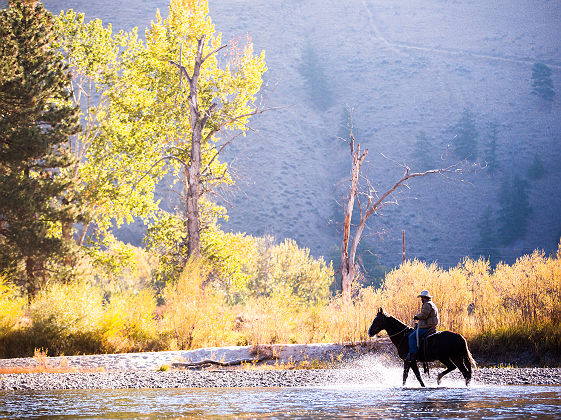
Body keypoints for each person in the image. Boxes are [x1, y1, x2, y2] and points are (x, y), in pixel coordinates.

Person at [407, 290, 439, 362]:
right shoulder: (431, 304)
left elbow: (424, 315)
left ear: (425, 297)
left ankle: (413, 355)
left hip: (427, 327)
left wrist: (417, 317)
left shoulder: (427, 304)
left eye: (422, 297)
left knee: (411, 337)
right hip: (430, 325)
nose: (421, 299)